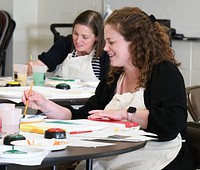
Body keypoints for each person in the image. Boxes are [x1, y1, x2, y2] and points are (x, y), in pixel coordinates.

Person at [22, 7, 195, 170]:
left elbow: (172, 124)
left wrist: (127, 114)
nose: (105, 48)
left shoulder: (163, 72)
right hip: (115, 156)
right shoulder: (115, 77)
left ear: (135, 43)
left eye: (111, 42)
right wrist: (45, 105)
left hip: (159, 159)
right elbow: (83, 115)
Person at [27, 10, 109, 82]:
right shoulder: (67, 43)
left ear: (97, 37)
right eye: (75, 33)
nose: (78, 41)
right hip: (60, 96)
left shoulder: (105, 53)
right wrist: (33, 67)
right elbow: (46, 62)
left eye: (85, 37)